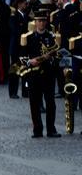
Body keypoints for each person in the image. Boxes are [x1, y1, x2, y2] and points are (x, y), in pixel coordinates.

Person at [22, 9, 61, 138]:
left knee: (50, 103)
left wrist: (51, 59)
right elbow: (21, 56)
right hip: (33, 75)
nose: (41, 23)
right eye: (39, 21)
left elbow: (58, 55)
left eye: (44, 21)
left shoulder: (52, 37)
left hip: (48, 74)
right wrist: (29, 62)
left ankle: (51, 129)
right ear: (35, 22)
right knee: (34, 103)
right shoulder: (29, 38)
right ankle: (37, 130)